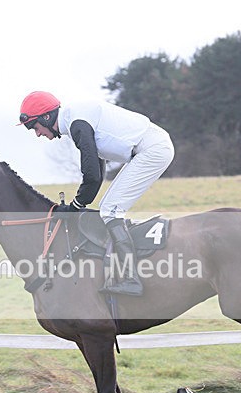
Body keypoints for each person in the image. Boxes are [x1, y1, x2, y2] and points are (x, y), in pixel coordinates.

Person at [18, 91, 175, 296]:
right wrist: (77, 205)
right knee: (107, 208)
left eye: (34, 127)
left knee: (110, 210)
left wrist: (74, 207)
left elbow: (91, 175)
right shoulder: (76, 120)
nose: (37, 134)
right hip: (151, 147)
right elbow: (97, 175)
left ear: (46, 117)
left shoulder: (78, 123)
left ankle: (131, 279)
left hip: (153, 149)